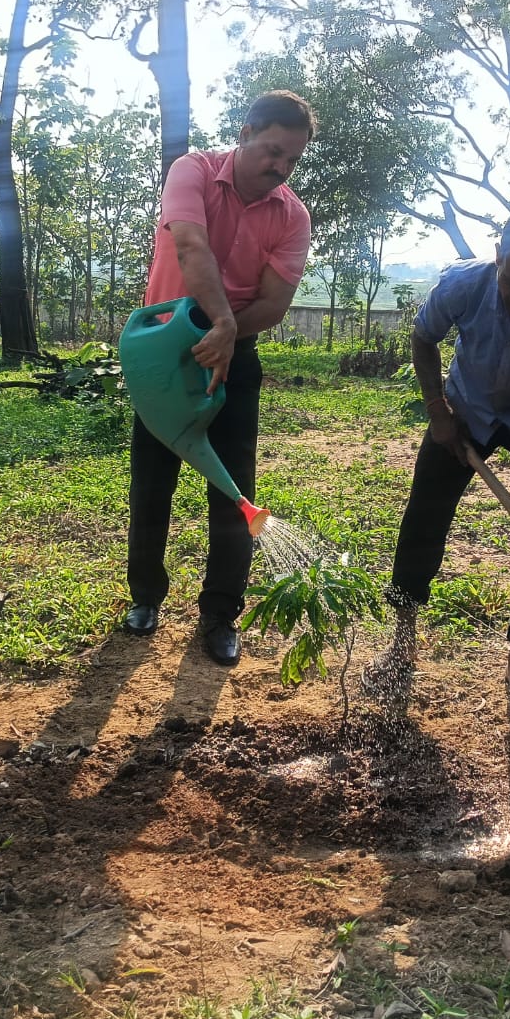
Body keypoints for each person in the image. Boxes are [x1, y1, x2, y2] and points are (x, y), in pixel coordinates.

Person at [364, 209, 510, 717]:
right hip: (465, 412)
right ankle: (402, 638)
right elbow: (424, 339)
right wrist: (438, 412)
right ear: (497, 256)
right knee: (424, 517)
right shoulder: (463, 283)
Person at [122, 90, 315, 667]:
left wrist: (230, 335)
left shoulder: (293, 215)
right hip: (165, 346)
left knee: (234, 492)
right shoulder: (194, 172)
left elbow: (276, 303)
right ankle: (145, 598)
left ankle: (220, 614)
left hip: (239, 349)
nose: (279, 167)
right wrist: (218, 326)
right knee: (152, 484)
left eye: (291, 160)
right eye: (273, 151)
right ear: (247, 130)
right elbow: (190, 244)